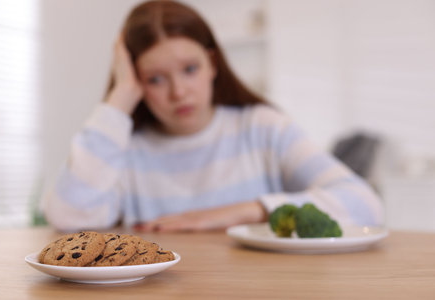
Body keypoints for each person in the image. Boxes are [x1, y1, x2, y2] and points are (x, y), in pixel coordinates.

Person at [43, 0, 384, 233]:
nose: (179, 92)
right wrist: (118, 100)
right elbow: (68, 216)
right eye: (155, 79)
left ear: (212, 64)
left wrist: (243, 211)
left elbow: (364, 204)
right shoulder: (122, 151)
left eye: (190, 69)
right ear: (136, 83)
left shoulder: (262, 127)